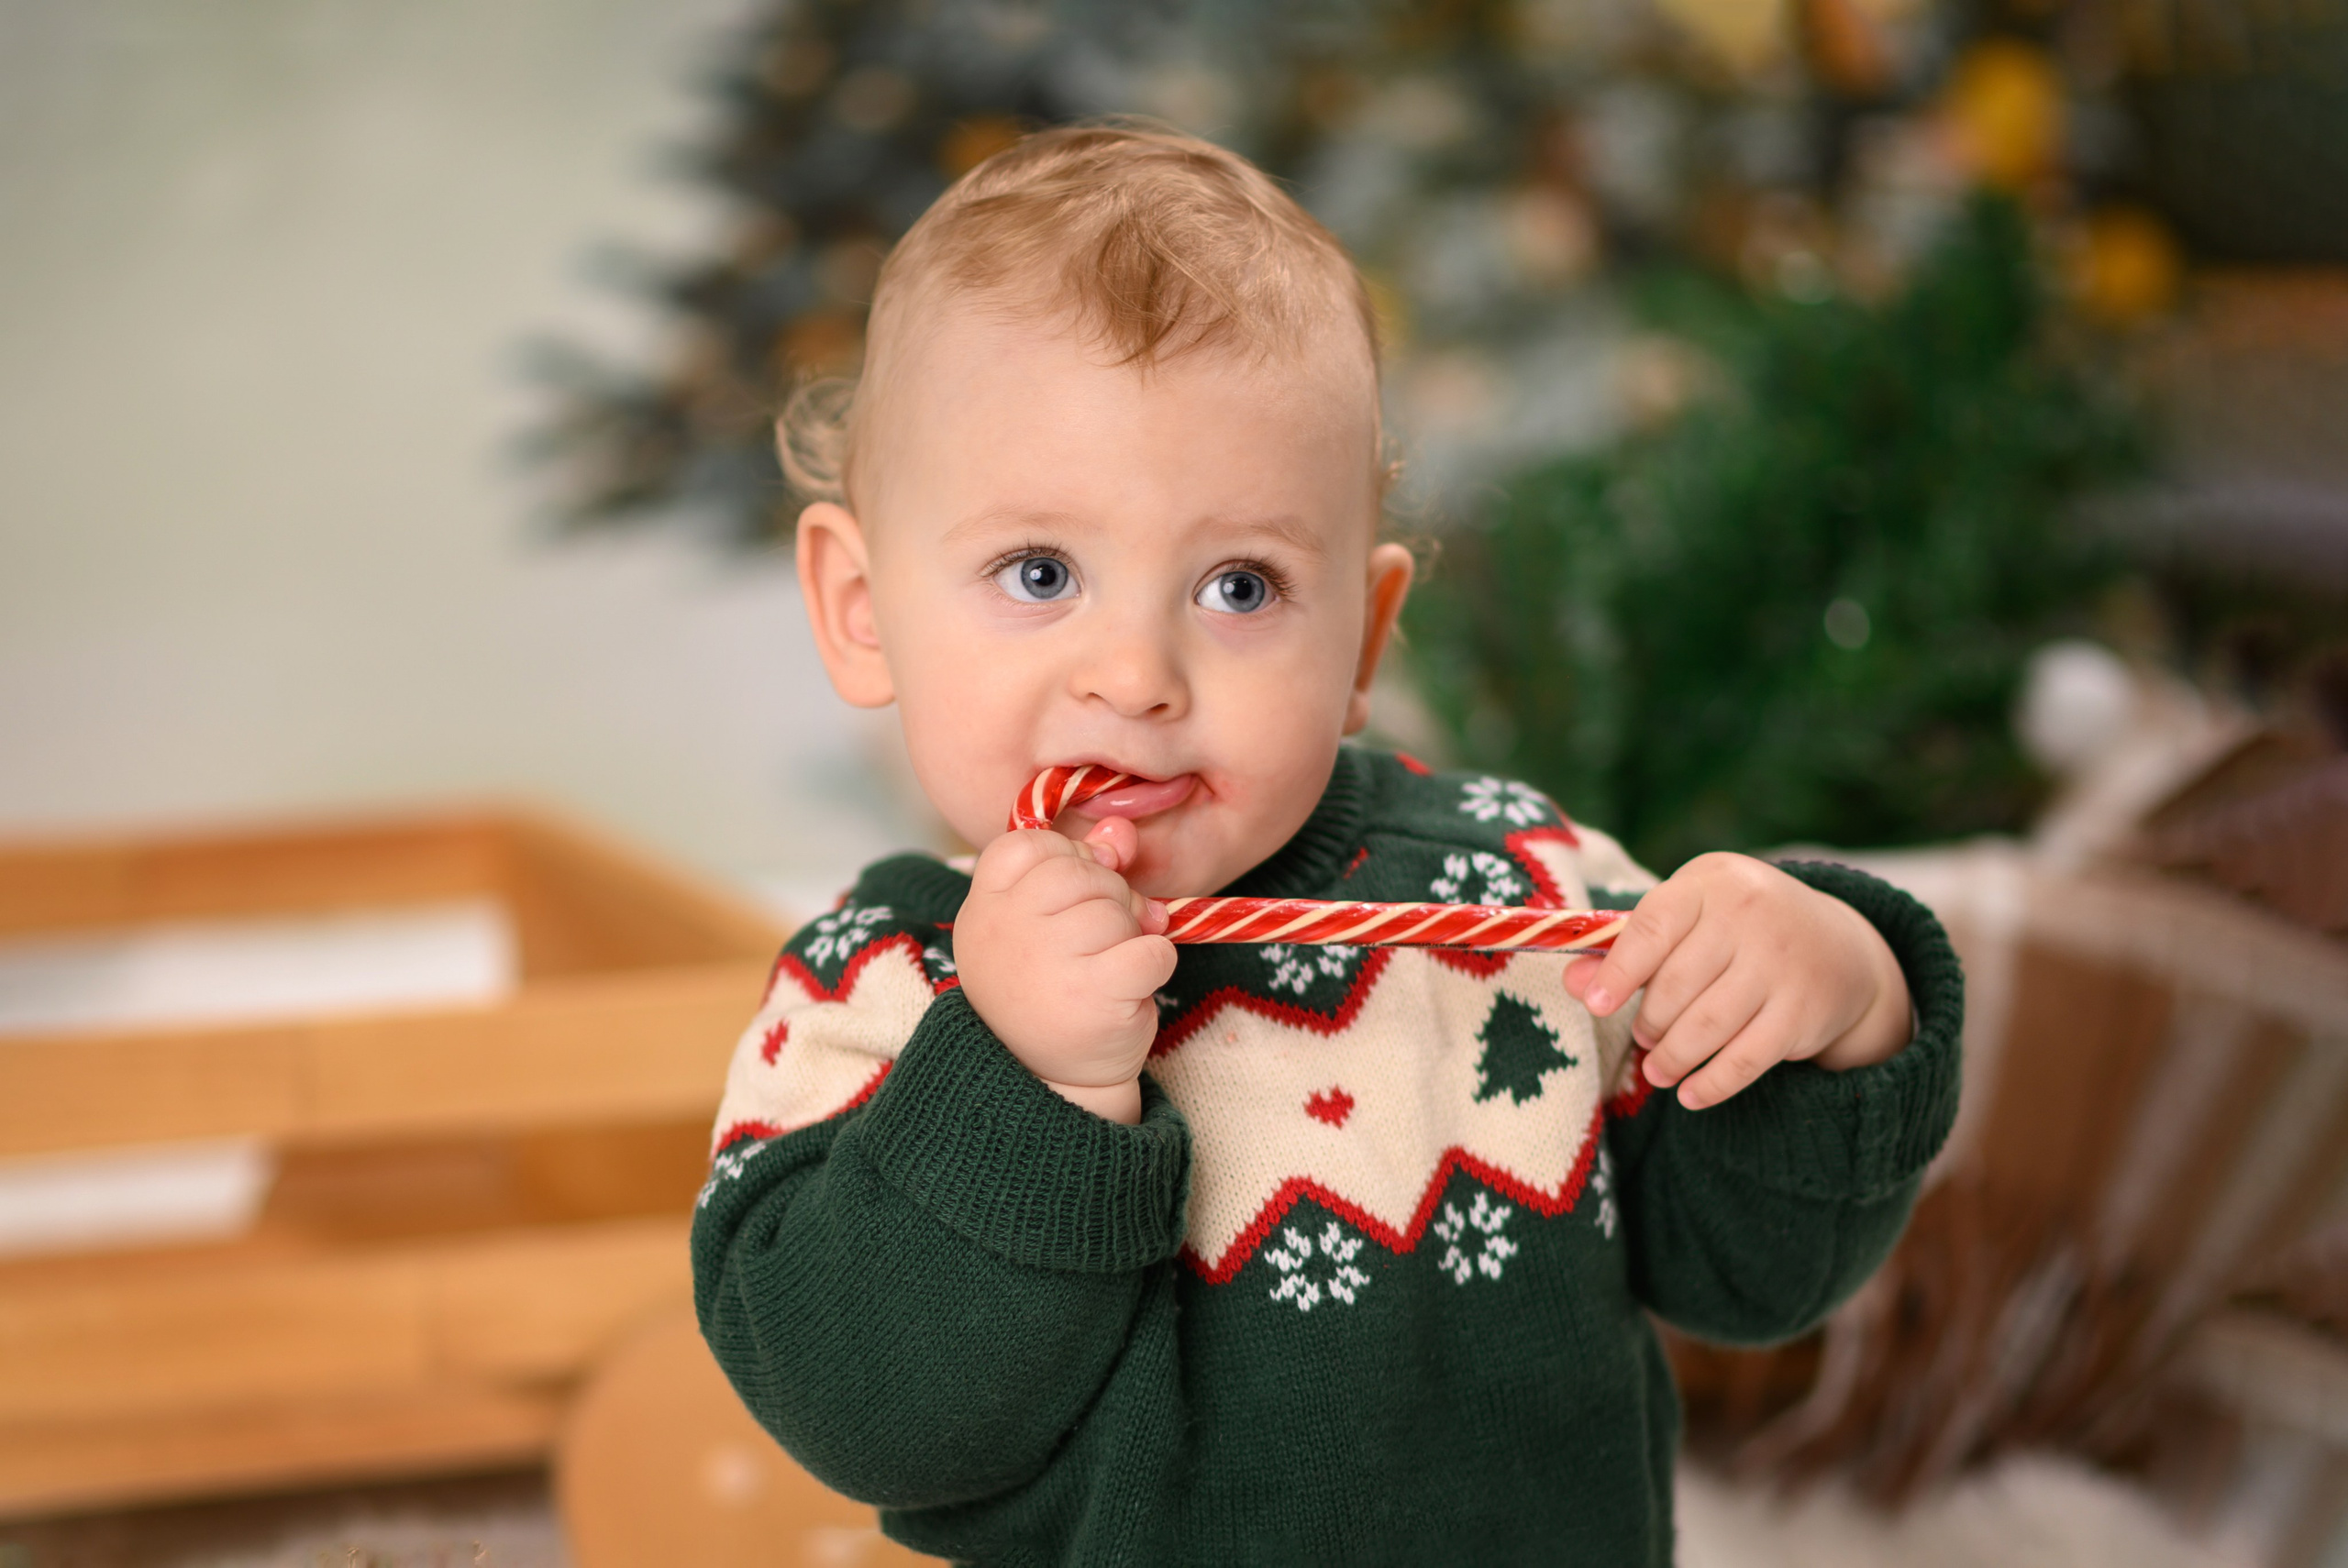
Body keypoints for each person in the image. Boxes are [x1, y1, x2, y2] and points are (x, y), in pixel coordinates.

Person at [692, 121, 1961, 1565]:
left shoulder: (1511, 893)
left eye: (1240, 584)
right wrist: (1022, 1077)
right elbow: (863, 1413)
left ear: (1363, 634)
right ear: (862, 606)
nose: (1137, 672)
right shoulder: (877, 989)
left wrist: (1841, 1001)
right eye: (1038, 572)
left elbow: (1754, 1274)